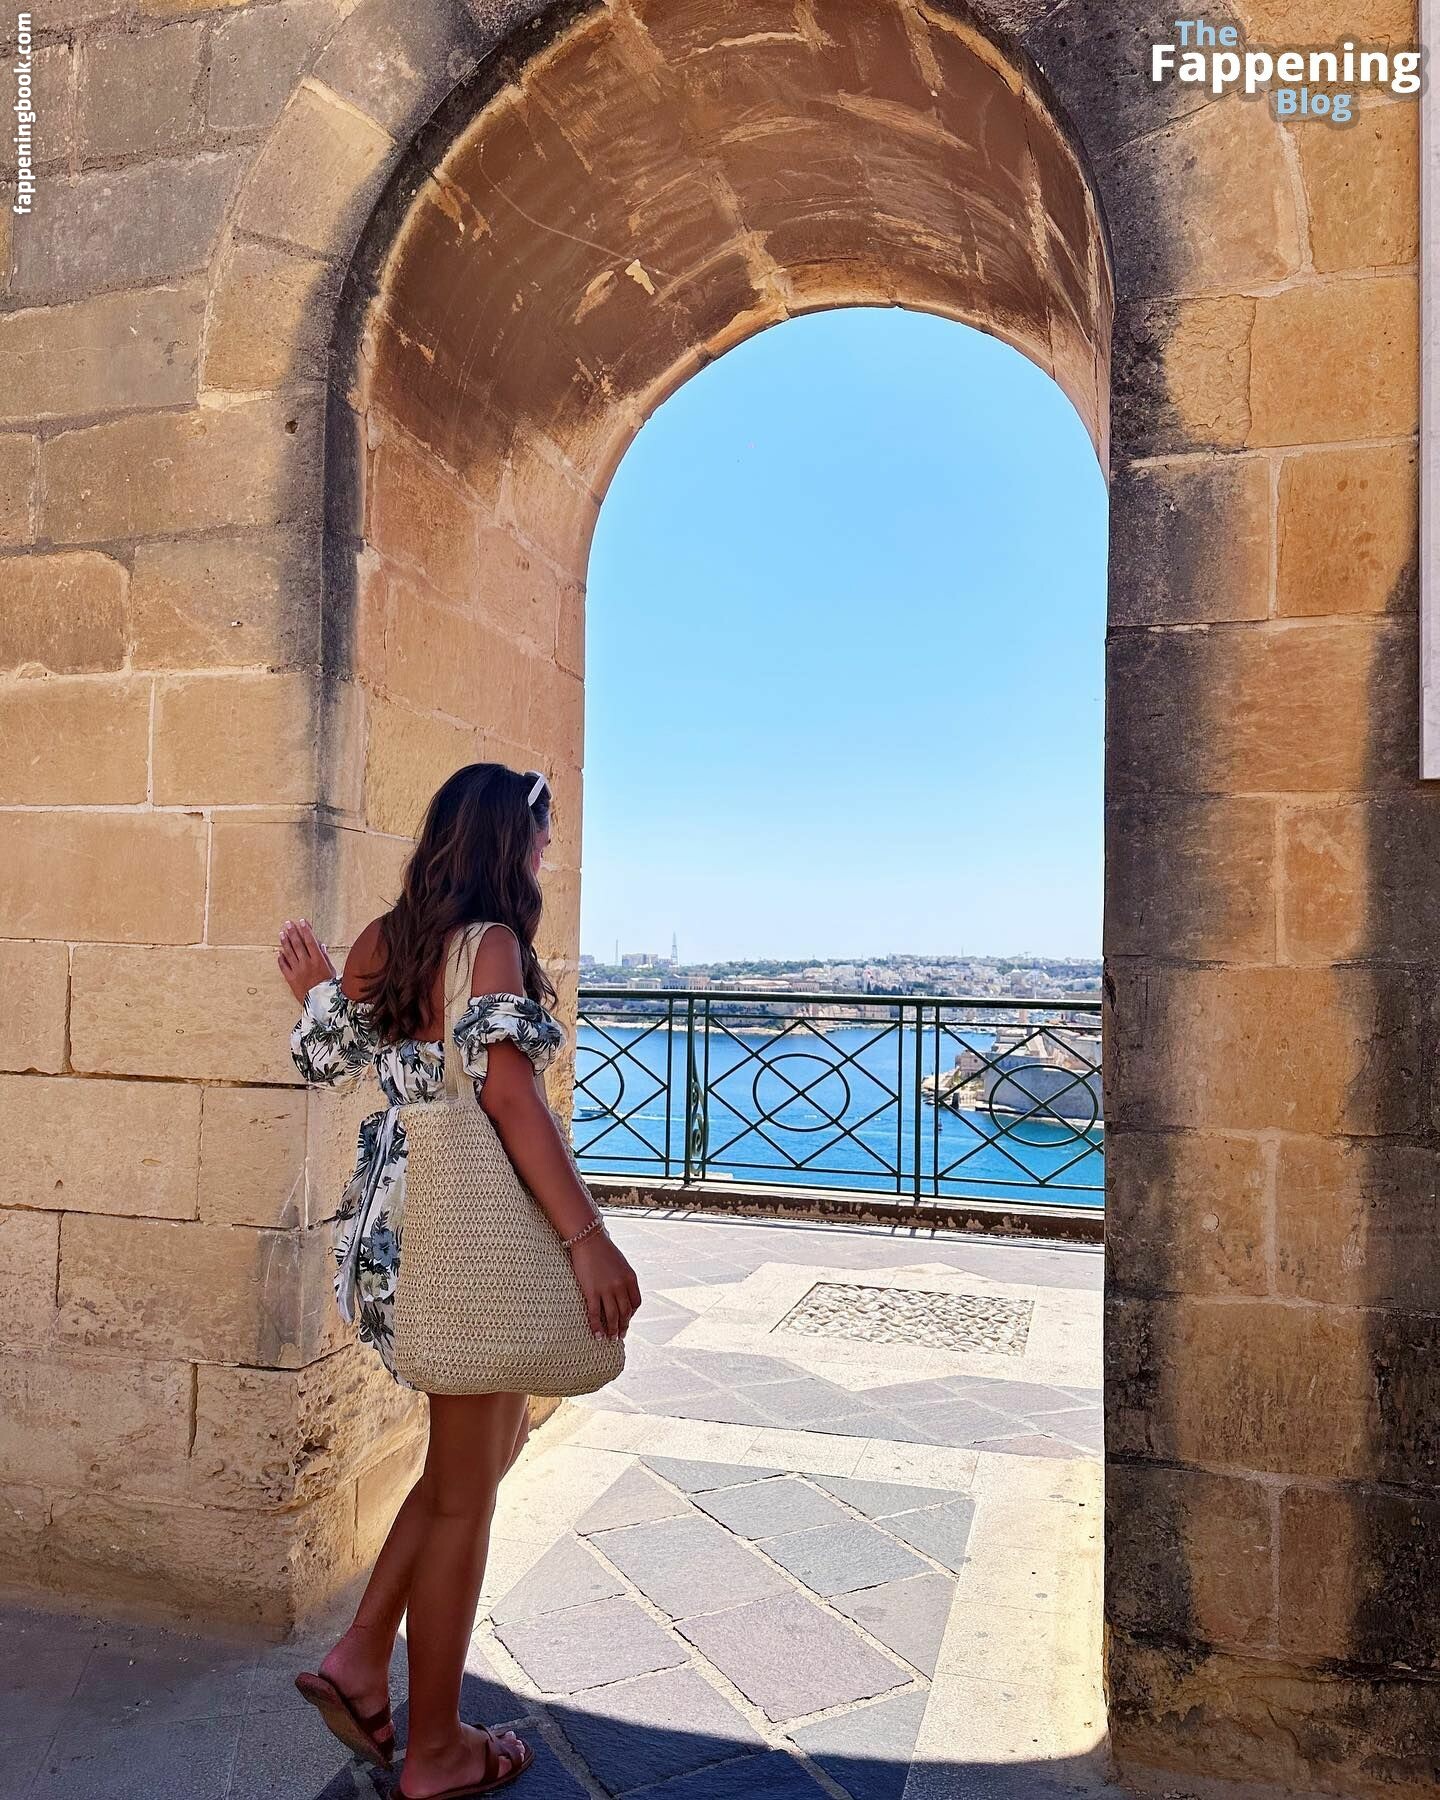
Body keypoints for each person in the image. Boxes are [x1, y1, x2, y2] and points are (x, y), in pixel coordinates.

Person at [278, 762, 641, 1799]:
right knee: (465, 1500)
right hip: (469, 1241)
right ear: (505, 844)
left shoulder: (382, 943)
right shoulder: (491, 947)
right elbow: (511, 1099)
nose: (546, 857)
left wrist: (318, 989)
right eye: (541, 840)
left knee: (471, 1462)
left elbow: (325, 1056)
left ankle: (361, 1657)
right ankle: (436, 1747)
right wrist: (588, 1238)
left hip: (398, 1238)